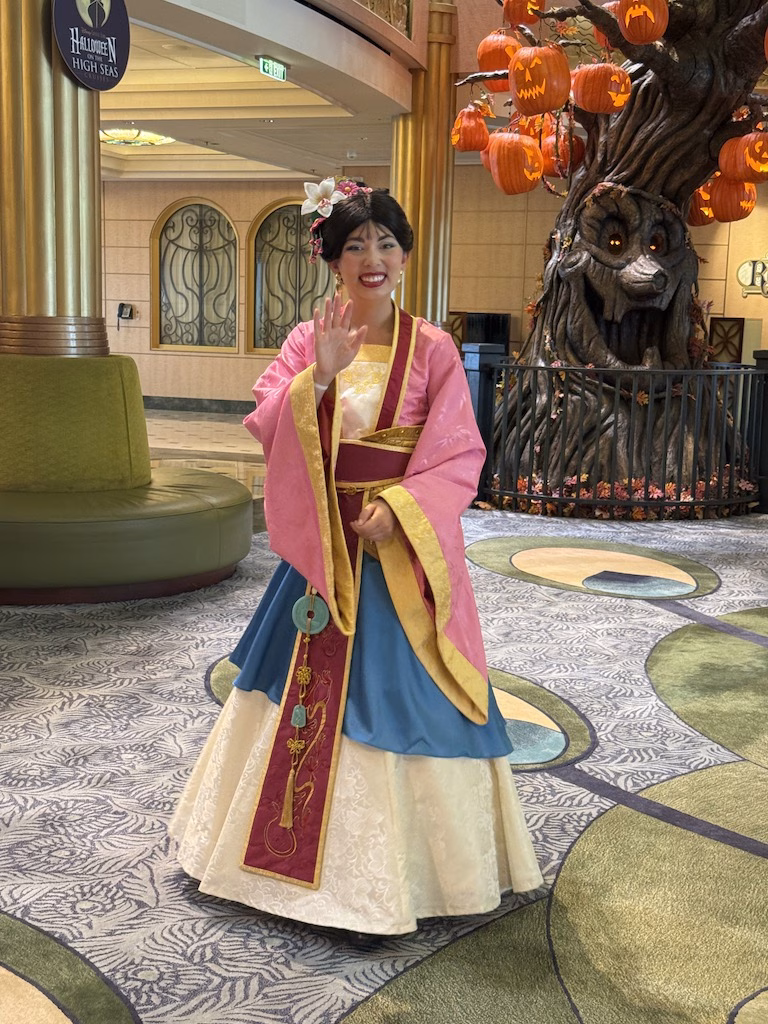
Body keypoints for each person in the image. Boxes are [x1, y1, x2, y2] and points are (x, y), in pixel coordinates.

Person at [170, 178, 543, 936]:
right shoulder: (306, 340)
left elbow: (458, 453)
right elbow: (266, 419)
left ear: (405, 256)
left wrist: (400, 508)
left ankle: (398, 881)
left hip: (398, 547)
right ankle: (278, 859)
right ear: (333, 260)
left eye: (386, 243)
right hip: (322, 549)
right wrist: (321, 374)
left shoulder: (433, 347)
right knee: (295, 692)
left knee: (407, 694)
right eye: (355, 246)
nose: (372, 258)